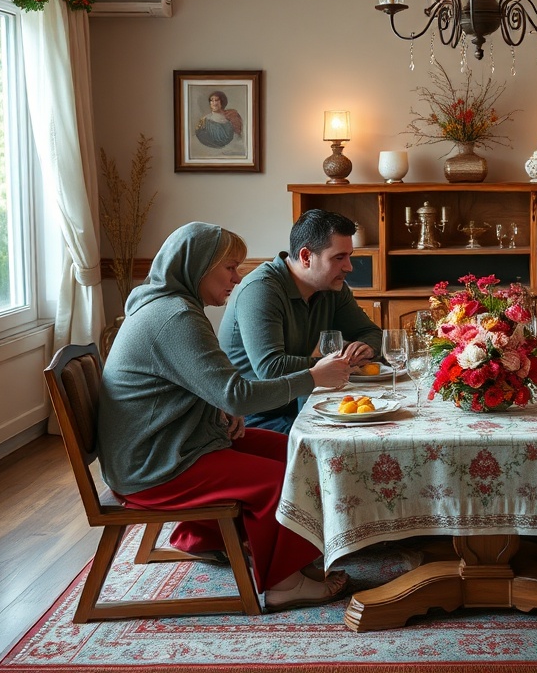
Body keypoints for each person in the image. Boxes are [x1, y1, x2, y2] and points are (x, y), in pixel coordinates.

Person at [97, 222, 349, 612]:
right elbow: (238, 391)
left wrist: (219, 406)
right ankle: (284, 583)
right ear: (198, 267)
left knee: (301, 453)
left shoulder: (171, 307)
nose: (237, 276)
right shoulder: (174, 317)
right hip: (157, 464)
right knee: (281, 481)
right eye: (229, 267)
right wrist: (313, 376)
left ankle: (205, 537)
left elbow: (198, 384)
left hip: (178, 441)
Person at [219, 209, 381, 432]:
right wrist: (337, 366)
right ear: (306, 257)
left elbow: (371, 333)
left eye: (349, 255)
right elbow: (271, 368)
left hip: (300, 404)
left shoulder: (333, 287)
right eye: (339, 257)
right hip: (252, 419)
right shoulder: (261, 290)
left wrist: (366, 348)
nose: (349, 267)